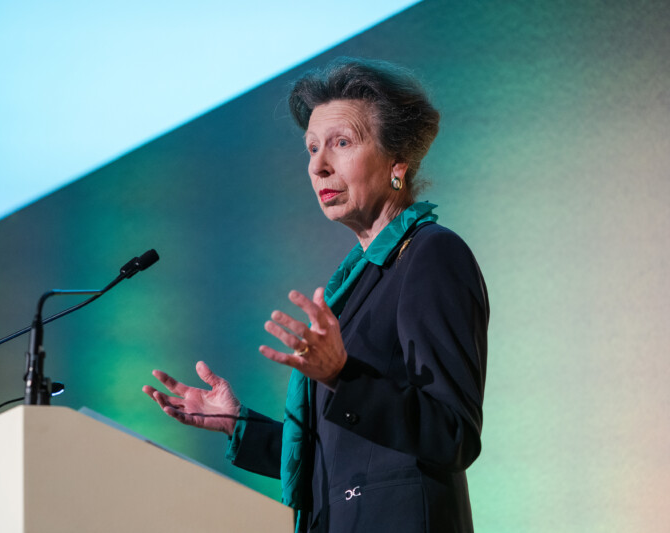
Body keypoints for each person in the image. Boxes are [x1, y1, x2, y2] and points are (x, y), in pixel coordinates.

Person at [143, 57, 489, 533]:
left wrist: (342, 376)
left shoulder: (431, 254)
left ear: (397, 162)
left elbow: (452, 433)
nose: (318, 166)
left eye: (341, 143)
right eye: (311, 149)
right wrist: (238, 424)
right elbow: (341, 455)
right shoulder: (355, 282)